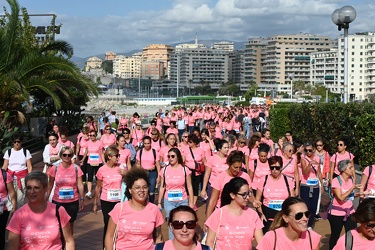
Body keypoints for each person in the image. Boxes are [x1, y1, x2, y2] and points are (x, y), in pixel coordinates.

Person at [7, 172, 75, 250]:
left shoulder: (59, 211)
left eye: (36, 188)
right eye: (29, 188)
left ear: (45, 188)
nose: (32, 192)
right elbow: (12, 247)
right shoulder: (18, 215)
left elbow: (69, 241)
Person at [104, 168, 163, 250]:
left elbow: (159, 237)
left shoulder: (154, 209)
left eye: (145, 187)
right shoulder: (119, 208)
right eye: (137, 187)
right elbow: (109, 236)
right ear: (130, 190)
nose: (142, 190)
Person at [205, 177, 263, 249]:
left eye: (249, 193)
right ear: (232, 195)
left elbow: (262, 244)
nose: (247, 197)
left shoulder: (253, 215)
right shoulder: (218, 214)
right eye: (244, 194)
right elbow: (209, 241)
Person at [256, 197, 321, 250]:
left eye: (307, 214)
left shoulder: (313, 238)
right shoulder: (271, 238)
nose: (305, 218)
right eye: (299, 215)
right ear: (285, 218)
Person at [158, 148, 194, 240]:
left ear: (178, 157)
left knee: (183, 222)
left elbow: (189, 187)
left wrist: (191, 202)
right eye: (168, 156)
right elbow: (162, 187)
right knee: (172, 222)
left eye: (172, 156)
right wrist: (159, 202)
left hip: (183, 200)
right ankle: (172, 243)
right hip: (169, 201)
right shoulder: (164, 170)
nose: (170, 158)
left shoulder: (185, 169)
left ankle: (183, 241)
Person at [205, 150, 252, 221]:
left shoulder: (245, 176)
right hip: (223, 213)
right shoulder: (220, 177)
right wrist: (208, 219)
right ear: (229, 164)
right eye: (235, 167)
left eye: (240, 167)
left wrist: (254, 201)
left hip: (240, 213)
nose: (238, 170)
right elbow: (213, 200)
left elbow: (250, 195)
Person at [47, 146, 84, 233]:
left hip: (72, 201)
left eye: (69, 155)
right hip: (58, 201)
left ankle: (69, 244)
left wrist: (82, 198)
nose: (67, 157)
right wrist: (46, 199)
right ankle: (60, 244)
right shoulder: (55, 168)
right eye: (64, 155)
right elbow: (50, 185)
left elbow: (80, 185)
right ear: (61, 156)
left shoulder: (76, 168)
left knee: (70, 225)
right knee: (58, 224)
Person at [254, 155, 295, 233]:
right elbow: (257, 200)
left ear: (281, 167)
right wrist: (261, 214)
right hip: (268, 217)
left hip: (283, 217)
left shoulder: (288, 180)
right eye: (272, 168)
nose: (274, 170)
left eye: (277, 168)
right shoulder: (264, 179)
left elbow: (292, 200)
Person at [93, 146, 124, 247]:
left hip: (118, 201)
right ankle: (106, 246)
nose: (118, 157)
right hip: (106, 200)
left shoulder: (121, 167)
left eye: (119, 155)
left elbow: (131, 181)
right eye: (116, 155)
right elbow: (98, 187)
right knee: (108, 223)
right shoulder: (102, 170)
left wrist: (126, 173)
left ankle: (117, 246)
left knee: (119, 225)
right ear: (109, 157)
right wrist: (95, 203)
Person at [328, 159, 361, 250]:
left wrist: (362, 193)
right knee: (335, 236)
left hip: (350, 211)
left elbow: (350, 196)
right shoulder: (336, 180)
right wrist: (352, 188)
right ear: (343, 169)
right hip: (336, 213)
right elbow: (341, 198)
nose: (352, 170)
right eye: (350, 168)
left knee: (353, 234)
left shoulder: (351, 179)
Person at [2, 132, 32, 208]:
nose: (16, 143)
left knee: (19, 201)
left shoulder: (26, 152)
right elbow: (5, 166)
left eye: (18, 141)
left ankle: (18, 217)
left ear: (21, 142)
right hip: (10, 180)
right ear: (12, 142)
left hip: (22, 179)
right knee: (10, 200)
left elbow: (29, 166)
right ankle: (11, 218)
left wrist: (29, 178)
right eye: (15, 142)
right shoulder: (8, 152)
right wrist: (2, 177)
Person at [201, 140, 229, 205]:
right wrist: (204, 189)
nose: (227, 149)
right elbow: (207, 174)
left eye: (228, 147)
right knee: (211, 204)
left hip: (225, 187)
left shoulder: (229, 159)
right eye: (225, 148)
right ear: (219, 148)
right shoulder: (212, 159)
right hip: (213, 186)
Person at [184, 134, 207, 211]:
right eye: (188, 142)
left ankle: (193, 204)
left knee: (195, 188)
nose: (189, 144)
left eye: (190, 142)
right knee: (188, 188)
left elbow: (204, 161)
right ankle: (189, 202)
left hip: (197, 172)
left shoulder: (201, 150)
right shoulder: (186, 150)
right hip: (188, 173)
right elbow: (183, 161)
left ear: (194, 142)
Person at [136, 136, 161, 203]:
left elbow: (158, 165)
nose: (147, 145)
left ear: (151, 143)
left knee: (151, 191)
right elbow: (138, 164)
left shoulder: (154, 152)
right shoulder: (140, 152)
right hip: (143, 173)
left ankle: (151, 204)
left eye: (148, 143)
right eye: (145, 143)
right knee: (143, 190)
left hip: (152, 173)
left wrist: (159, 176)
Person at [81, 130, 104, 199]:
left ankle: (98, 191)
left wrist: (104, 161)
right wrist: (83, 159)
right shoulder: (88, 143)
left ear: (96, 135)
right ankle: (89, 192)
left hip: (98, 162)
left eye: (93, 135)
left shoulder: (100, 143)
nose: (92, 137)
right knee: (90, 178)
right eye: (90, 135)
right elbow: (86, 152)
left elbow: (101, 153)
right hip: (90, 162)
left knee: (98, 178)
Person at [0, 166, 17, 249]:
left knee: (1, 232)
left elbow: (12, 192)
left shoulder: (4, 175)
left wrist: (14, 208)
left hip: (3, 209)